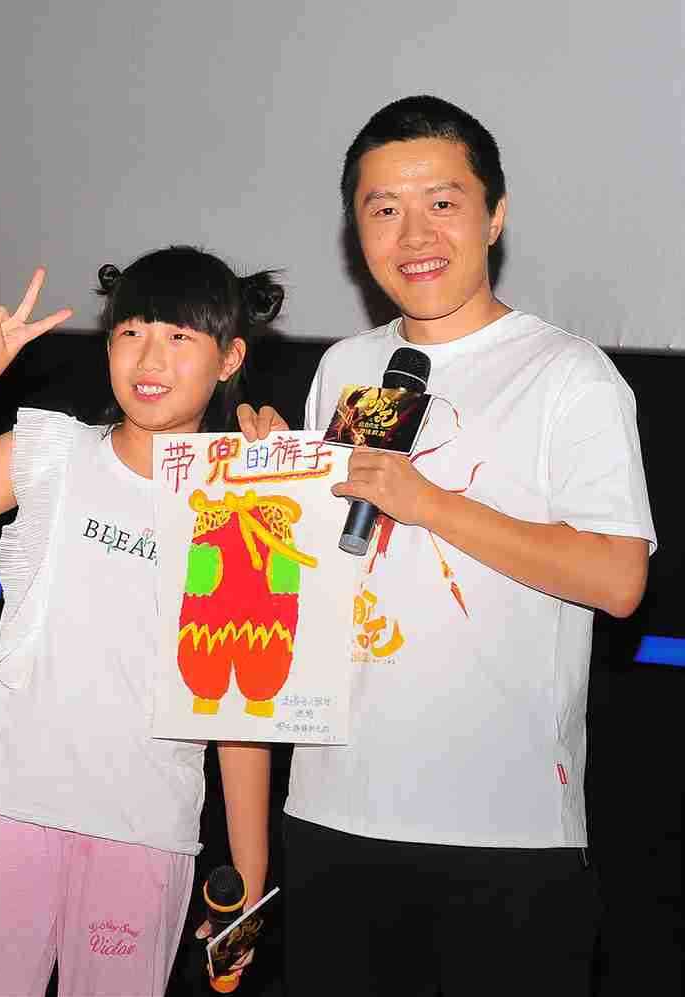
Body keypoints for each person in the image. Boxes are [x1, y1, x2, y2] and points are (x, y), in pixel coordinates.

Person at [239, 95, 655, 996]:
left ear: (494, 215)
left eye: (442, 202)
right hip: (332, 810)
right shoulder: (345, 368)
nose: (414, 234)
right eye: (383, 209)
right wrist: (270, 489)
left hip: (504, 834)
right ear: (355, 232)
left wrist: (428, 503)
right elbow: (328, 570)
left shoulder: (568, 375)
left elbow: (619, 577)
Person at [0, 249, 277, 996]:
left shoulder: (245, 499)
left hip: (145, 825)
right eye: (131, 332)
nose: (150, 359)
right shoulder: (52, 450)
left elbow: (242, 702)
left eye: (179, 337)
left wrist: (248, 877)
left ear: (229, 358)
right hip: (5, 802)